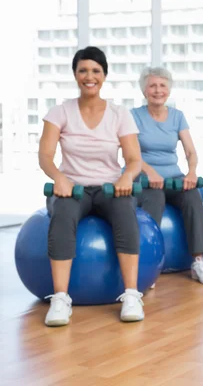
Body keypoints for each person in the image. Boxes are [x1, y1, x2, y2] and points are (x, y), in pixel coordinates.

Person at [38, 46, 144, 326]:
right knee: (62, 217)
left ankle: (132, 295)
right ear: (75, 74)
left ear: (104, 75)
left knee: (125, 214)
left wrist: (125, 177)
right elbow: (45, 156)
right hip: (73, 188)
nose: (89, 76)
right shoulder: (59, 112)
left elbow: (134, 160)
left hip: (110, 188)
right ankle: (60, 299)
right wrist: (58, 178)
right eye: (83, 70)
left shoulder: (120, 114)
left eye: (96, 71)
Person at [131, 67, 203, 285]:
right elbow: (131, 153)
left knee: (192, 196)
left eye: (162, 86)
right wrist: (149, 172)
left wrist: (192, 173)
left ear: (168, 90)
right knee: (155, 198)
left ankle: (198, 261)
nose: (157, 90)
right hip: (144, 179)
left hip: (173, 177)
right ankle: (148, 265)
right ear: (144, 90)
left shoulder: (177, 116)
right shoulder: (133, 116)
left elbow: (190, 151)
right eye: (152, 85)